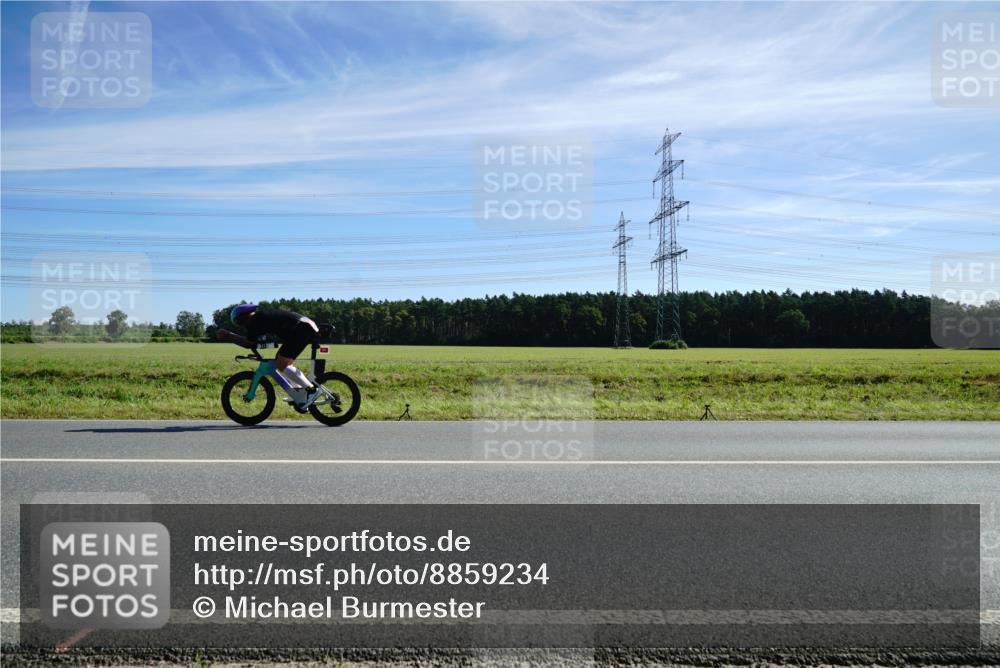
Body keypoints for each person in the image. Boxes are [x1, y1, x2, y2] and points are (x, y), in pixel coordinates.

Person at [217, 304, 321, 408]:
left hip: (301, 328)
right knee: (281, 362)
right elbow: (255, 342)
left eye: (238, 323)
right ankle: (300, 393)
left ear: (242, 319)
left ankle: (312, 390)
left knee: (282, 363)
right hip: (303, 327)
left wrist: (229, 336)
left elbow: (248, 343)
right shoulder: (259, 318)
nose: (241, 326)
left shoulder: (254, 322)